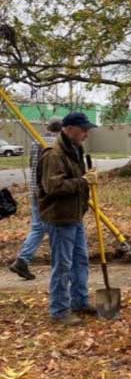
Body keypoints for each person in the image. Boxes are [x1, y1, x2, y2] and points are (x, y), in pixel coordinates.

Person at [39, 112, 98, 325]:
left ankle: (80, 301)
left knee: (80, 261)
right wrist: (83, 181)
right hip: (60, 217)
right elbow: (52, 186)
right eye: (83, 130)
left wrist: (85, 181)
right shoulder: (54, 154)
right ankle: (59, 310)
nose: (86, 134)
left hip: (75, 215)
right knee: (63, 265)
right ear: (69, 128)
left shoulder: (74, 150)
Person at [8, 118, 61, 280]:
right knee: (55, 227)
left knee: (38, 227)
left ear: (47, 126)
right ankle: (59, 264)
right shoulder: (58, 144)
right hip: (49, 193)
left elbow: (33, 164)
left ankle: (23, 260)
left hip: (34, 191)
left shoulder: (35, 143)